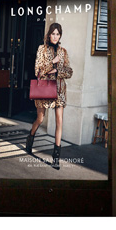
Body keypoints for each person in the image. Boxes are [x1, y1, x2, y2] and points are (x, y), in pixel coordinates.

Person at [25, 23, 72, 170]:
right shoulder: (42, 49)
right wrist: (52, 63)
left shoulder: (63, 51)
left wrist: (57, 72)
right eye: (53, 34)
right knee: (40, 118)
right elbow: (37, 71)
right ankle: (30, 137)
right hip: (45, 90)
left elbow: (69, 71)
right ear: (49, 34)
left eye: (58, 34)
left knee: (59, 121)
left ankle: (56, 157)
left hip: (59, 90)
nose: (55, 37)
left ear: (60, 36)